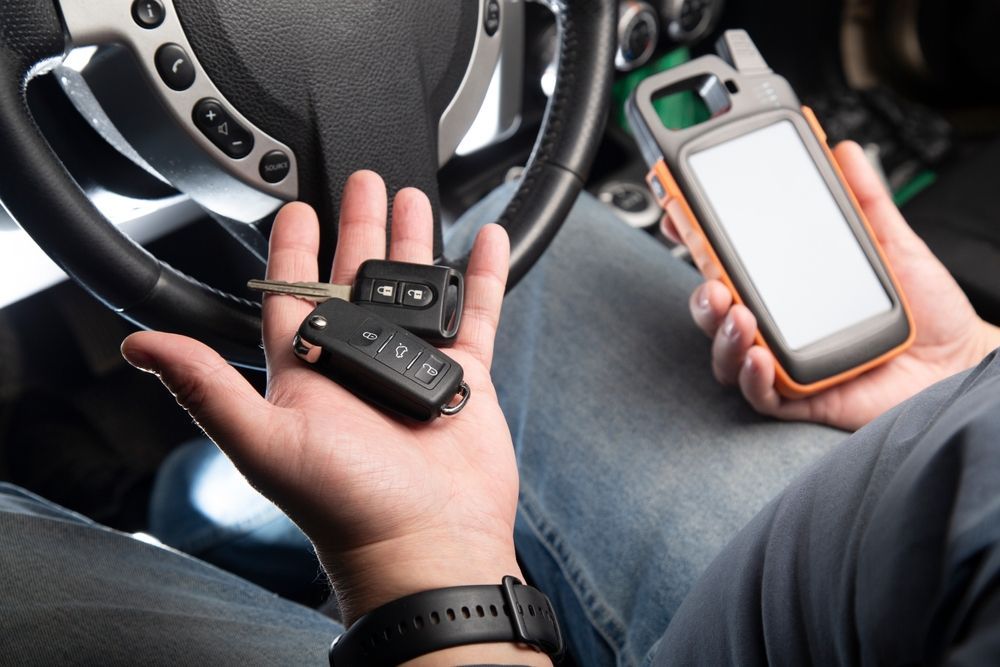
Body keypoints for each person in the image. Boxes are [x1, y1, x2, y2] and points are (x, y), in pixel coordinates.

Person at [2, 141, 999, 665]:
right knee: (522, 260)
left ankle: (162, 517)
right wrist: (954, 378)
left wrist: (426, 576)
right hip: (898, 530)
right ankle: (187, 515)